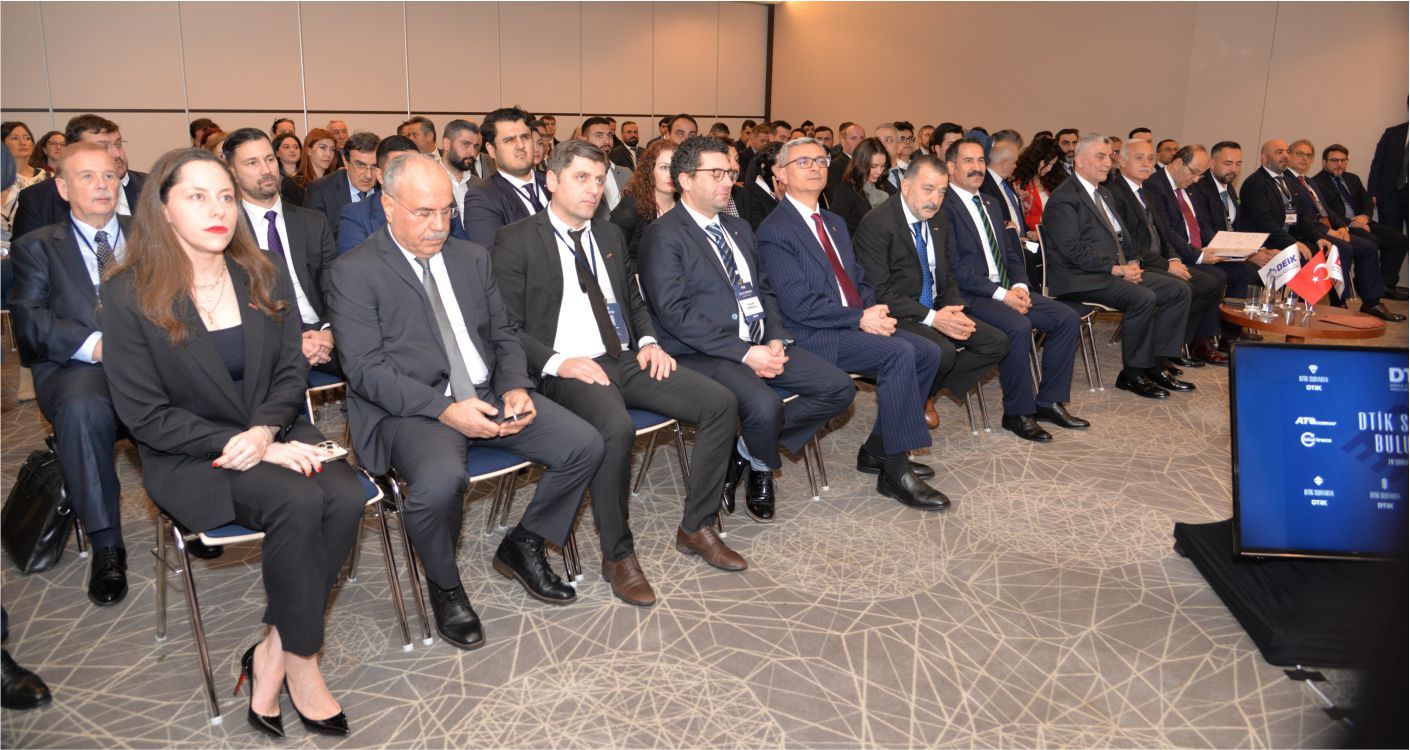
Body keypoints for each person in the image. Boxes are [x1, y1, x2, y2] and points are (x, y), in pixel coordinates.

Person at [101, 147, 361, 738]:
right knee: (299, 500)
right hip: (194, 454)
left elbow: (291, 371)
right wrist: (252, 445)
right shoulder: (127, 294)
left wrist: (266, 432)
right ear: (163, 209)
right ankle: (303, 663)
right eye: (197, 197)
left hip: (275, 428)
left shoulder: (260, 271)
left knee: (346, 497)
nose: (217, 209)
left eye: (225, 196)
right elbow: (144, 415)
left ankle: (274, 649)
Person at [328, 154, 603, 648]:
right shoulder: (355, 271)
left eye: (446, 211)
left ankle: (524, 543)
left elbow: (504, 333)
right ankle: (445, 584)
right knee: (439, 484)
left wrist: (515, 386)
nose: (438, 225)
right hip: (412, 409)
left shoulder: (471, 257)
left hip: (488, 392)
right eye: (423, 212)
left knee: (584, 444)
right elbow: (366, 370)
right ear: (388, 206)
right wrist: (445, 410)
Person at [492, 141, 742, 605]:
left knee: (719, 402)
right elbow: (504, 326)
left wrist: (648, 341)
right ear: (552, 180)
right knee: (615, 427)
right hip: (564, 367)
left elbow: (633, 298)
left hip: (623, 357)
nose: (592, 189)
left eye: (597, 179)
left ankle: (697, 526)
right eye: (580, 178)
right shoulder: (517, 239)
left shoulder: (609, 235)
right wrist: (558, 361)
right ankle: (618, 556)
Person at [638, 136, 854, 523]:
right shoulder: (664, 234)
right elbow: (676, 315)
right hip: (702, 352)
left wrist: (774, 336)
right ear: (685, 180)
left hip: (758, 340)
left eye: (730, 173)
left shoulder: (738, 228)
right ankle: (762, 465)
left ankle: (747, 451)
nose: (728, 182)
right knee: (764, 406)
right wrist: (745, 353)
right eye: (716, 174)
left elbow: (764, 290)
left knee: (839, 388)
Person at [757, 138, 949, 510]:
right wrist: (859, 318)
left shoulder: (832, 222)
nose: (815, 167)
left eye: (820, 160)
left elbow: (859, 279)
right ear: (781, 174)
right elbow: (798, 305)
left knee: (928, 351)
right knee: (899, 354)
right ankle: (895, 470)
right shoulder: (775, 229)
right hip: (812, 334)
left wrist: (874, 312)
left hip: (850, 323)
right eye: (802, 162)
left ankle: (877, 450)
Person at [11, 143, 153, 607]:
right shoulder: (38, 245)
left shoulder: (149, 234)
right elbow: (30, 319)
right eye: (87, 177)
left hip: (151, 359)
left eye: (109, 176)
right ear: (63, 187)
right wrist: (98, 346)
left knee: (206, 386)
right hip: (76, 365)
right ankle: (107, 543)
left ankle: (199, 510)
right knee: (83, 408)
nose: (101, 185)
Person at [938, 141, 1087, 440]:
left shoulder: (991, 203)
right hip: (970, 294)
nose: (977, 168)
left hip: (1007, 288)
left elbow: (1011, 252)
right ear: (951, 167)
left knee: (1066, 318)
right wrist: (1002, 295)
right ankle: (1017, 413)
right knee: (1018, 326)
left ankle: (1049, 402)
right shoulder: (943, 207)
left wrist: (1019, 286)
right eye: (968, 161)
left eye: (981, 160)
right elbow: (955, 269)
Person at [852, 153, 1010, 432]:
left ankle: (925, 393)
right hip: (897, 313)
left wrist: (954, 308)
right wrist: (934, 318)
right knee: (943, 351)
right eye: (928, 189)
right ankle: (919, 395)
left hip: (934, 307)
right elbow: (880, 291)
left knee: (996, 341)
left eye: (941, 192)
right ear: (905, 186)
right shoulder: (877, 224)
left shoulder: (939, 220)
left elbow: (946, 274)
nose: (935, 199)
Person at [1042, 134, 1193, 400]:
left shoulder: (1104, 193)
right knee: (1143, 297)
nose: (1107, 163)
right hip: (1080, 278)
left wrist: (1132, 263)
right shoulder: (1064, 198)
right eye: (1100, 157)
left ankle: (1156, 365)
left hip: (1112, 271)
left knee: (1178, 289)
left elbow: (1123, 239)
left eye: (1109, 156)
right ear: (1080, 161)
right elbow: (1071, 250)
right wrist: (1117, 269)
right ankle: (1132, 374)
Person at [223, 129, 340, 377]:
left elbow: (336, 287)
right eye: (252, 163)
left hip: (323, 333)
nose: (266, 169)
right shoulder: (227, 232)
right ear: (232, 173)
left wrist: (328, 331)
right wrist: (292, 343)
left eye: (269, 159)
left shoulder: (312, 222)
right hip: (266, 344)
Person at [1107, 139, 1228, 366]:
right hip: (1137, 262)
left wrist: (1173, 258)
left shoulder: (1144, 191)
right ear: (1121, 161)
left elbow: (1163, 233)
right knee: (1183, 288)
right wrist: (1166, 265)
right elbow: (1128, 243)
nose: (1146, 163)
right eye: (1139, 158)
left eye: (1150, 158)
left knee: (1210, 283)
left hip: (1158, 259)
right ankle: (1160, 357)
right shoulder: (1114, 193)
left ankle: (1176, 346)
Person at [1284, 139, 1402, 319]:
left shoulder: (1308, 182)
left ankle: (1372, 303)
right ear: (1289, 155)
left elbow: (1327, 211)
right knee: (1344, 248)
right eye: (1300, 154)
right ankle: (1339, 303)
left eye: (1308, 155)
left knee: (1368, 247)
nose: (1305, 158)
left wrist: (1342, 227)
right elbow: (1300, 217)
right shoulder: (1286, 181)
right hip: (1305, 232)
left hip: (1327, 230)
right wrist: (1328, 232)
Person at [12, 114, 147, 241]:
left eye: (118, 144)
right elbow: (28, 252)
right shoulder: (38, 199)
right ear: (74, 152)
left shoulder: (150, 185)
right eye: (102, 147)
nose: (117, 154)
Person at [1314, 143, 1408, 297]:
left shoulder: (1352, 178)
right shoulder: (1316, 183)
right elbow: (1326, 213)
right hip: (1342, 227)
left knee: (1400, 240)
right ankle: (1364, 284)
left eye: (1343, 160)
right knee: (1370, 241)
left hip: (1363, 223)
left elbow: (1367, 201)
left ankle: (1386, 284)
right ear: (1324, 162)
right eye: (1334, 160)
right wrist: (1350, 223)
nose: (1339, 164)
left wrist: (1365, 217)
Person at [462, 107, 550, 248]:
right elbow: (496, 255)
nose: (521, 145)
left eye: (525, 137)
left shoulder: (555, 183)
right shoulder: (482, 198)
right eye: (509, 140)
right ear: (491, 150)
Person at [303, 131, 379, 241]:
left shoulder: (389, 187)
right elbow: (315, 240)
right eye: (360, 165)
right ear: (345, 162)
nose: (368, 175)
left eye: (374, 166)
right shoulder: (320, 191)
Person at [610, 139, 676, 264]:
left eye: (675, 167)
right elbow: (612, 253)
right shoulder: (631, 206)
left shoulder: (687, 206)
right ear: (649, 171)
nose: (671, 174)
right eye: (664, 167)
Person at [827, 137, 889, 235]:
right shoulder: (845, 190)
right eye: (874, 166)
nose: (879, 172)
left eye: (882, 166)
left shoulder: (882, 186)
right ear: (861, 163)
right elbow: (834, 226)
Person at [2, 122, 49, 239]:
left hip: (38, 241)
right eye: (15, 138)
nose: (23, 142)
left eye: (27, 138)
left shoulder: (47, 177)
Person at [1011, 136, 1065, 232]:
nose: (1049, 169)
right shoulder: (1018, 182)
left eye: (1053, 165)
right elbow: (1018, 218)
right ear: (1036, 159)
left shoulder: (1054, 179)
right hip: (1032, 234)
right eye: (1047, 164)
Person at [581, 117, 633, 213]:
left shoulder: (626, 173)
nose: (607, 141)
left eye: (609, 136)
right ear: (584, 140)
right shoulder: (578, 175)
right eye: (599, 136)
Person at [281, 128, 337, 207]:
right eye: (322, 148)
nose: (328, 154)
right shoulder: (292, 184)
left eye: (332, 149)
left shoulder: (337, 182)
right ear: (309, 150)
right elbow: (291, 213)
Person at [440, 119, 486, 210]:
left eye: (475, 146)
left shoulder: (481, 185)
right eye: (465, 144)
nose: (473, 153)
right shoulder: (425, 180)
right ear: (446, 144)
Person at [742, 142, 783, 231]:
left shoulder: (788, 190)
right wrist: (782, 203)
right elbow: (765, 231)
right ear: (764, 167)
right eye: (781, 167)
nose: (786, 172)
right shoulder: (750, 195)